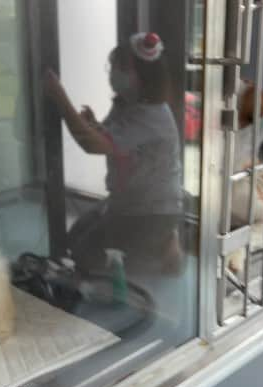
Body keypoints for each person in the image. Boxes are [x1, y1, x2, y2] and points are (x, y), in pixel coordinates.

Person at [45, 32, 183, 274]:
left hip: (150, 211)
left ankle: (165, 243)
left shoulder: (153, 115)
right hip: (126, 202)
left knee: (86, 259)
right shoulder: (127, 105)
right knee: (74, 240)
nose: (113, 72)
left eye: (119, 67)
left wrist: (59, 96)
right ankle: (159, 242)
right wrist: (94, 124)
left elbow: (92, 145)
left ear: (141, 75)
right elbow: (110, 138)